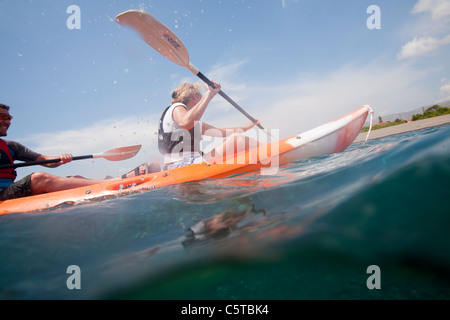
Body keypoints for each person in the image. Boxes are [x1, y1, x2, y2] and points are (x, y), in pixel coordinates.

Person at [0, 103, 110, 201]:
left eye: (9, 118)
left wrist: (60, 159)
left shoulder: (12, 146)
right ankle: (111, 183)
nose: (7, 121)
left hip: (9, 190)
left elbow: (43, 160)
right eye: (2, 117)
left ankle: (115, 182)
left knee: (75, 179)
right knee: (38, 178)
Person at [158, 81, 260, 170]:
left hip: (193, 162)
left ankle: (267, 153)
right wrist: (209, 94)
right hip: (183, 165)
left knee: (238, 143)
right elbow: (185, 122)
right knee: (238, 140)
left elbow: (219, 132)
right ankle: (273, 154)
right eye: (200, 97)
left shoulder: (191, 119)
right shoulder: (177, 107)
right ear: (194, 97)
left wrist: (246, 127)